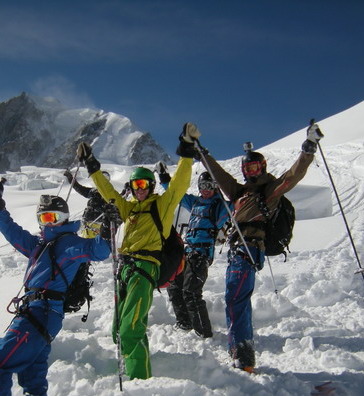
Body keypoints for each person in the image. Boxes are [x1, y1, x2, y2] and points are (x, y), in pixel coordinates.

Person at [0, 182, 111, 396]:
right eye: (43, 217)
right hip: (39, 314)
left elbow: (98, 251)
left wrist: (105, 229)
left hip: (41, 312)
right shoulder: (39, 246)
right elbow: (13, 233)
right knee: (33, 375)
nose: (47, 223)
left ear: (64, 219)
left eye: (53, 217)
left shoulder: (68, 243)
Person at [76, 122, 200, 380]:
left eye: (144, 184)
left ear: (152, 186)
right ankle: (128, 363)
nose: (140, 189)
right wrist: (92, 166)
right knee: (118, 331)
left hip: (145, 268)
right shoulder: (129, 208)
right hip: (125, 269)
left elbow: (178, 185)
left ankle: (139, 380)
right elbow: (108, 192)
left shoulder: (161, 206)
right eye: (135, 185)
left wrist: (186, 151)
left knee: (131, 327)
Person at [200, 123, 323, 371]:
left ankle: (243, 355)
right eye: (247, 168)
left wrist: (307, 150)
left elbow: (292, 176)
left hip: (250, 248)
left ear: (263, 167)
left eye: (255, 167)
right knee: (235, 298)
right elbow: (219, 175)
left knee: (236, 297)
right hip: (237, 249)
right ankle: (239, 350)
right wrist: (202, 153)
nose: (251, 172)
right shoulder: (238, 191)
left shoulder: (269, 191)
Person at [158, 164, 231, 338]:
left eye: (210, 186)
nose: (206, 190)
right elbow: (177, 195)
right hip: (187, 252)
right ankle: (184, 323)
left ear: (215, 187)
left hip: (202, 253)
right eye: (203, 186)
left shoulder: (220, 207)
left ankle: (203, 332)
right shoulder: (196, 202)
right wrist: (165, 180)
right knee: (174, 285)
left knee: (191, 291)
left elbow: (235, 205)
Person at [63, 169, 112, 238]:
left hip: (97, 224)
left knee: (93, 245)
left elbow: (118, 202)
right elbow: (79, 188)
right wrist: (70, 178)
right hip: (86, 223)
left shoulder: (110, 194)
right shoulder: (93, 192)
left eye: (105, 179)